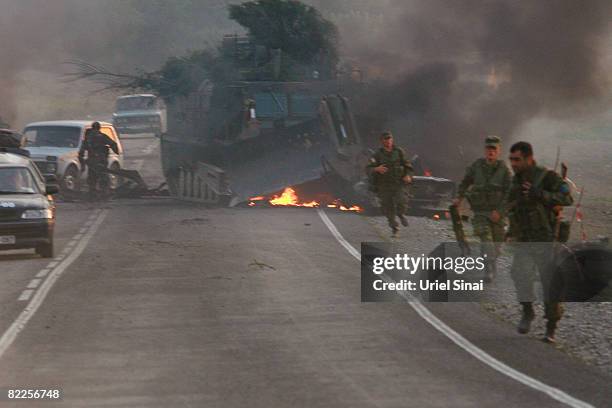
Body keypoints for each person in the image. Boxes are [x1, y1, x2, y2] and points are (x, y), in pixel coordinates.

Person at [506, 141, 573, 343]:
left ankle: (551, 327)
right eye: (511, 160)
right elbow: (512, 206)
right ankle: (528, 311)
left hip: (546, 240)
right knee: (519, 273)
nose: (513, 164)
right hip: (525, 239)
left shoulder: (546, 176)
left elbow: (566, 197)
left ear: (528, 158)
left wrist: (541, 195)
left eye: (517, 160)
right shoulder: (516, 181)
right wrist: (509, 230)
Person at [454, 135, 512, 282]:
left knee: (497, 245)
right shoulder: (477, 166)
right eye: (488, 149)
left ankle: (491, 263)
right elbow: (465, 181)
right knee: (486, 240)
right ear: (485, 150)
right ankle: (488, 269)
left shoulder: (504, 169)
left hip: (498, 213)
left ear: (499, 151)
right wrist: (459, 197)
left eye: (494, 149)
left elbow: (511, 193)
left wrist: (500, 212)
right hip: (480, 212)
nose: (491, 152)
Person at [367, 131, 413, 236]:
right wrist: (376, 168)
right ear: (381, 141)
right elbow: (368, 169)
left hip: (398, 183)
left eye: (389, 139)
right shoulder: (377, 154)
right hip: (384, 185)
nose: (388, 141)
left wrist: (407, 175)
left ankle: (401, 214)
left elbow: (407, 165)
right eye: (385, 139)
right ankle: (394, 228)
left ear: (392, 140)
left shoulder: (399, 152)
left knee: (402, 200)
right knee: (387, 207)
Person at [78, 122, 119, 200]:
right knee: (103, 178)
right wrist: (116, 151)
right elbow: (113, 144)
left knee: (92, 179)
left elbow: (81, 153)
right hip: (102, 161)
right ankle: (104, 195)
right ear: (99, 128)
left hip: (92, 162)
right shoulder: (103, 137)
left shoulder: (87, 139)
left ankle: (92, 195)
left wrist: (83, 164)